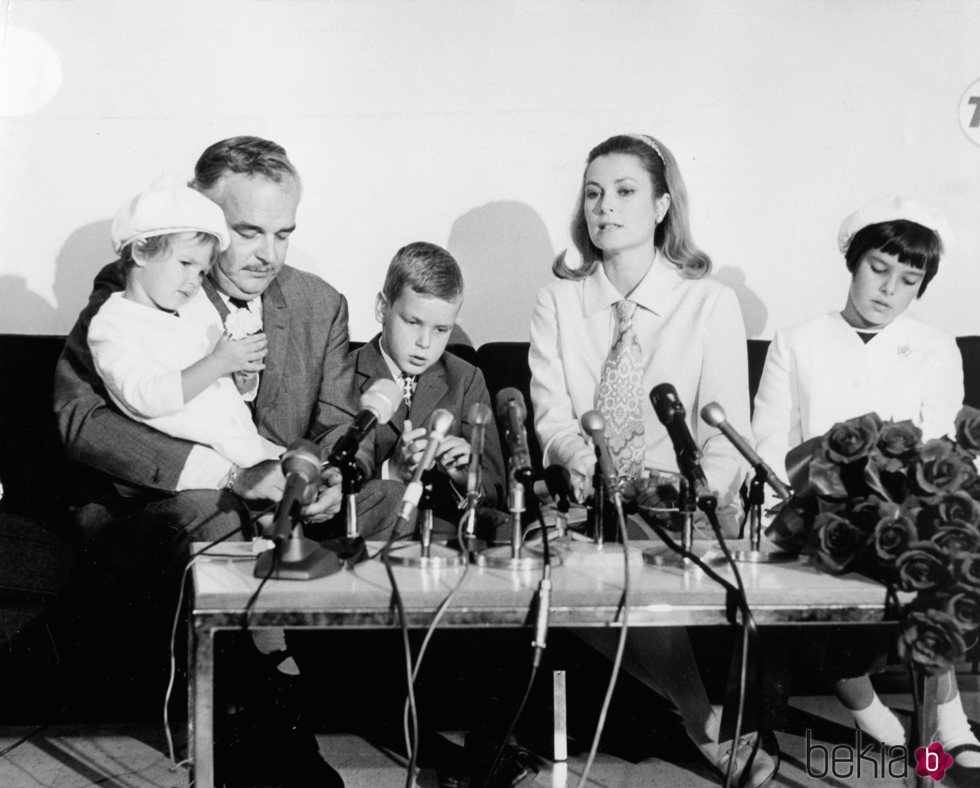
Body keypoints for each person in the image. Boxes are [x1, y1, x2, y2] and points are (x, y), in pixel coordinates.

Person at [53, 136, 393, 788]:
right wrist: (229, 473)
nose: (269, 255)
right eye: (248, 232)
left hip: (283, 505)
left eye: (285, 234)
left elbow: (343, 423)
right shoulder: (144, 286)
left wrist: (322, 472)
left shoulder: (320, 305)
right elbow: (82, 423)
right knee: (212, 522)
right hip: (170, 507)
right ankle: (276, 745)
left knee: (384, 507)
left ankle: (274, 704)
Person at [528, 133, 771, 786]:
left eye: (626, 191)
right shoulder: (559, 302)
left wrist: (693, 498)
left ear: (663, 205)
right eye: (594, 193)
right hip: (589, 504)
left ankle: (696, 722)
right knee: (583, 555)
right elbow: (552, 420)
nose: (605, 206)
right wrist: (585, 460)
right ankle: (704, 724)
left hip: (682, 512)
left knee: (638, 551)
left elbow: (726, 436)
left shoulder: (709, 303)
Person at [752, 195, 980, 765]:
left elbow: (941, 450)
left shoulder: (934, 346)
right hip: (812, 508)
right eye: (878, 269)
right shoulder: (798, 339)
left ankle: (946, 721)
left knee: (925, 547)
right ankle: (865, 701)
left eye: (908, 279)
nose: (888, 290)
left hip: (899, 511)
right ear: (852, 263)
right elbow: (768, 447)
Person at [88, 177, 282, 474]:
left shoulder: (195, 306)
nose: (194, 281)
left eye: (203, 271)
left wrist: (243, 377)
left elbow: (224, 386)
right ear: (140, 252)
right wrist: (219, 362)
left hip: (246, 445)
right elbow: (147, 397)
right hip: (205, 462)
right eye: (185, 264)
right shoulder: (111, 326)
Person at [350, 240, 505, 533]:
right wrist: (392, 472)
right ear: (382, 308)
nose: (425, 343)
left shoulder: (466, 378)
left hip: (443, 542)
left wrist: (465, 476)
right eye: (413, 322)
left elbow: (496, 489)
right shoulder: (342, 374)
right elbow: (330, 488)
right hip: (369, 538)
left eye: (441, 330)